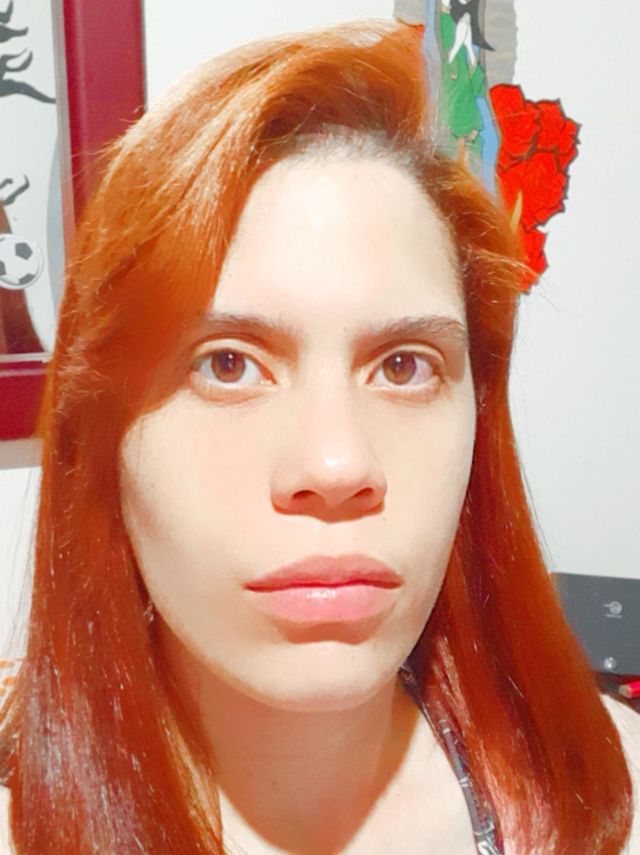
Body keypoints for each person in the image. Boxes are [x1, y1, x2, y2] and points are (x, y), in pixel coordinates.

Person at [0, 17, 638, 855]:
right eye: (227, 364)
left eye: (404, 366)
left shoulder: (612, 789)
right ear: (104, 440)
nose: (337, 464)